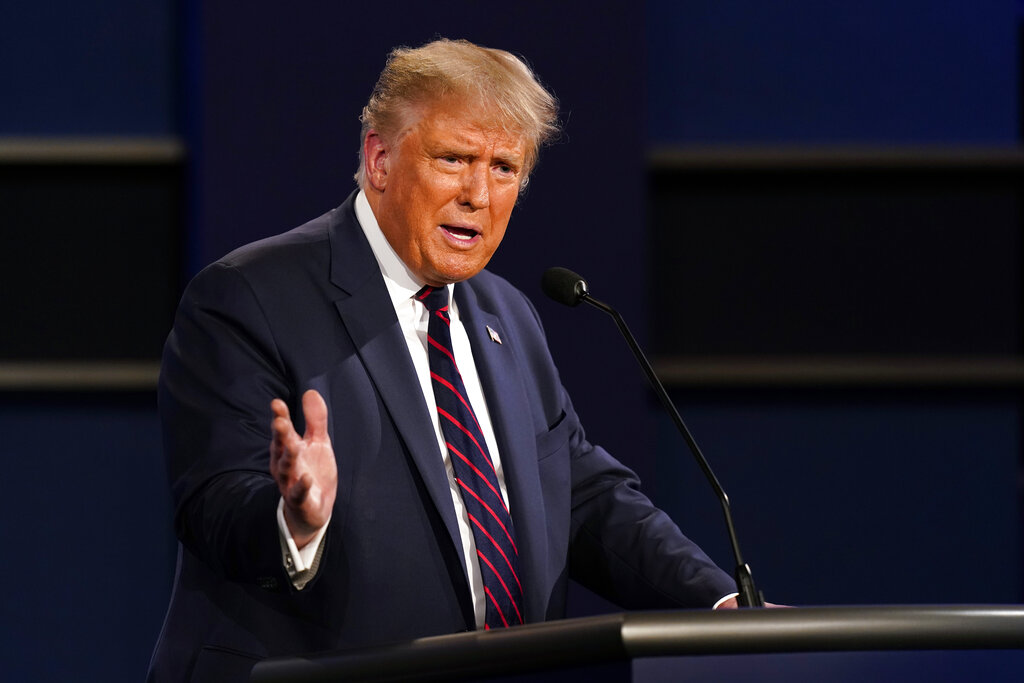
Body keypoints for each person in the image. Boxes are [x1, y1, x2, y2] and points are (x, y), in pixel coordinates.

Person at [147, 38, 738, 683]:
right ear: (379, 158)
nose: (479, 194)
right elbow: (213, 500)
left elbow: (583, 499)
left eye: (504, 168)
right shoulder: (247, 296)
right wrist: (295, 519)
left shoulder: (505, 315)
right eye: (454, 159)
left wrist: (720, 604)